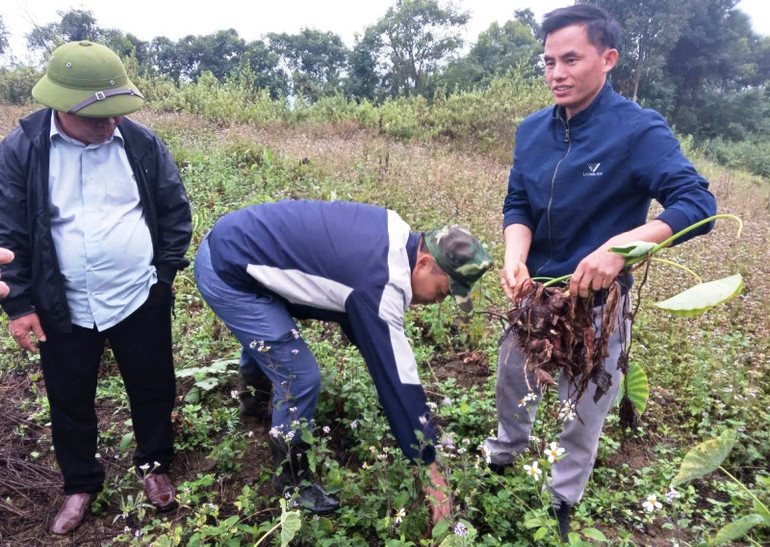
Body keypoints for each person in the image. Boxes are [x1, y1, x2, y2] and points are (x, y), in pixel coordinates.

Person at [483, 5, 717, 541]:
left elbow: (697, 203)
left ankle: (562, 498)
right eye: (548, 62)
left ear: (608, 59)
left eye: (571, 59)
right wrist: (513, 256)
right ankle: (504, 455)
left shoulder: (637, 130)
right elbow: (517, 203)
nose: (557, 73)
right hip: (534, 294)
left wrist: (622, 247)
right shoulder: (531, 131)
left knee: (585, 405)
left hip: (598, 304)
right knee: (512, 380)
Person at [194, 199, 492, 522]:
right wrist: (430, 467)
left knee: (273, 338)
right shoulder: (381, 285)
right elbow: (399, 382)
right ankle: (292, 482)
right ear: (422, 263)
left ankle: (255, 403)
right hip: (227, 271)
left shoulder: (394, 230)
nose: (438, 301)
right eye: (443, 291)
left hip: (235, 243)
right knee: (300, 375)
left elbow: (348, 290)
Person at [0, 41, 192, 535]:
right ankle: (80, 483)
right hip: (61, 303)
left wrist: (163, 280)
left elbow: (174, 213)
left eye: (116, 113)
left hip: (137, 296)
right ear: (62, 107)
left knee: (152, 386)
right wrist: (19, 304)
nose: (111, 123)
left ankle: (153, 466)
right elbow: (8, 233)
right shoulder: (22, 151)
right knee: (69, 397)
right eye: (98, 116)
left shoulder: (141, 143)